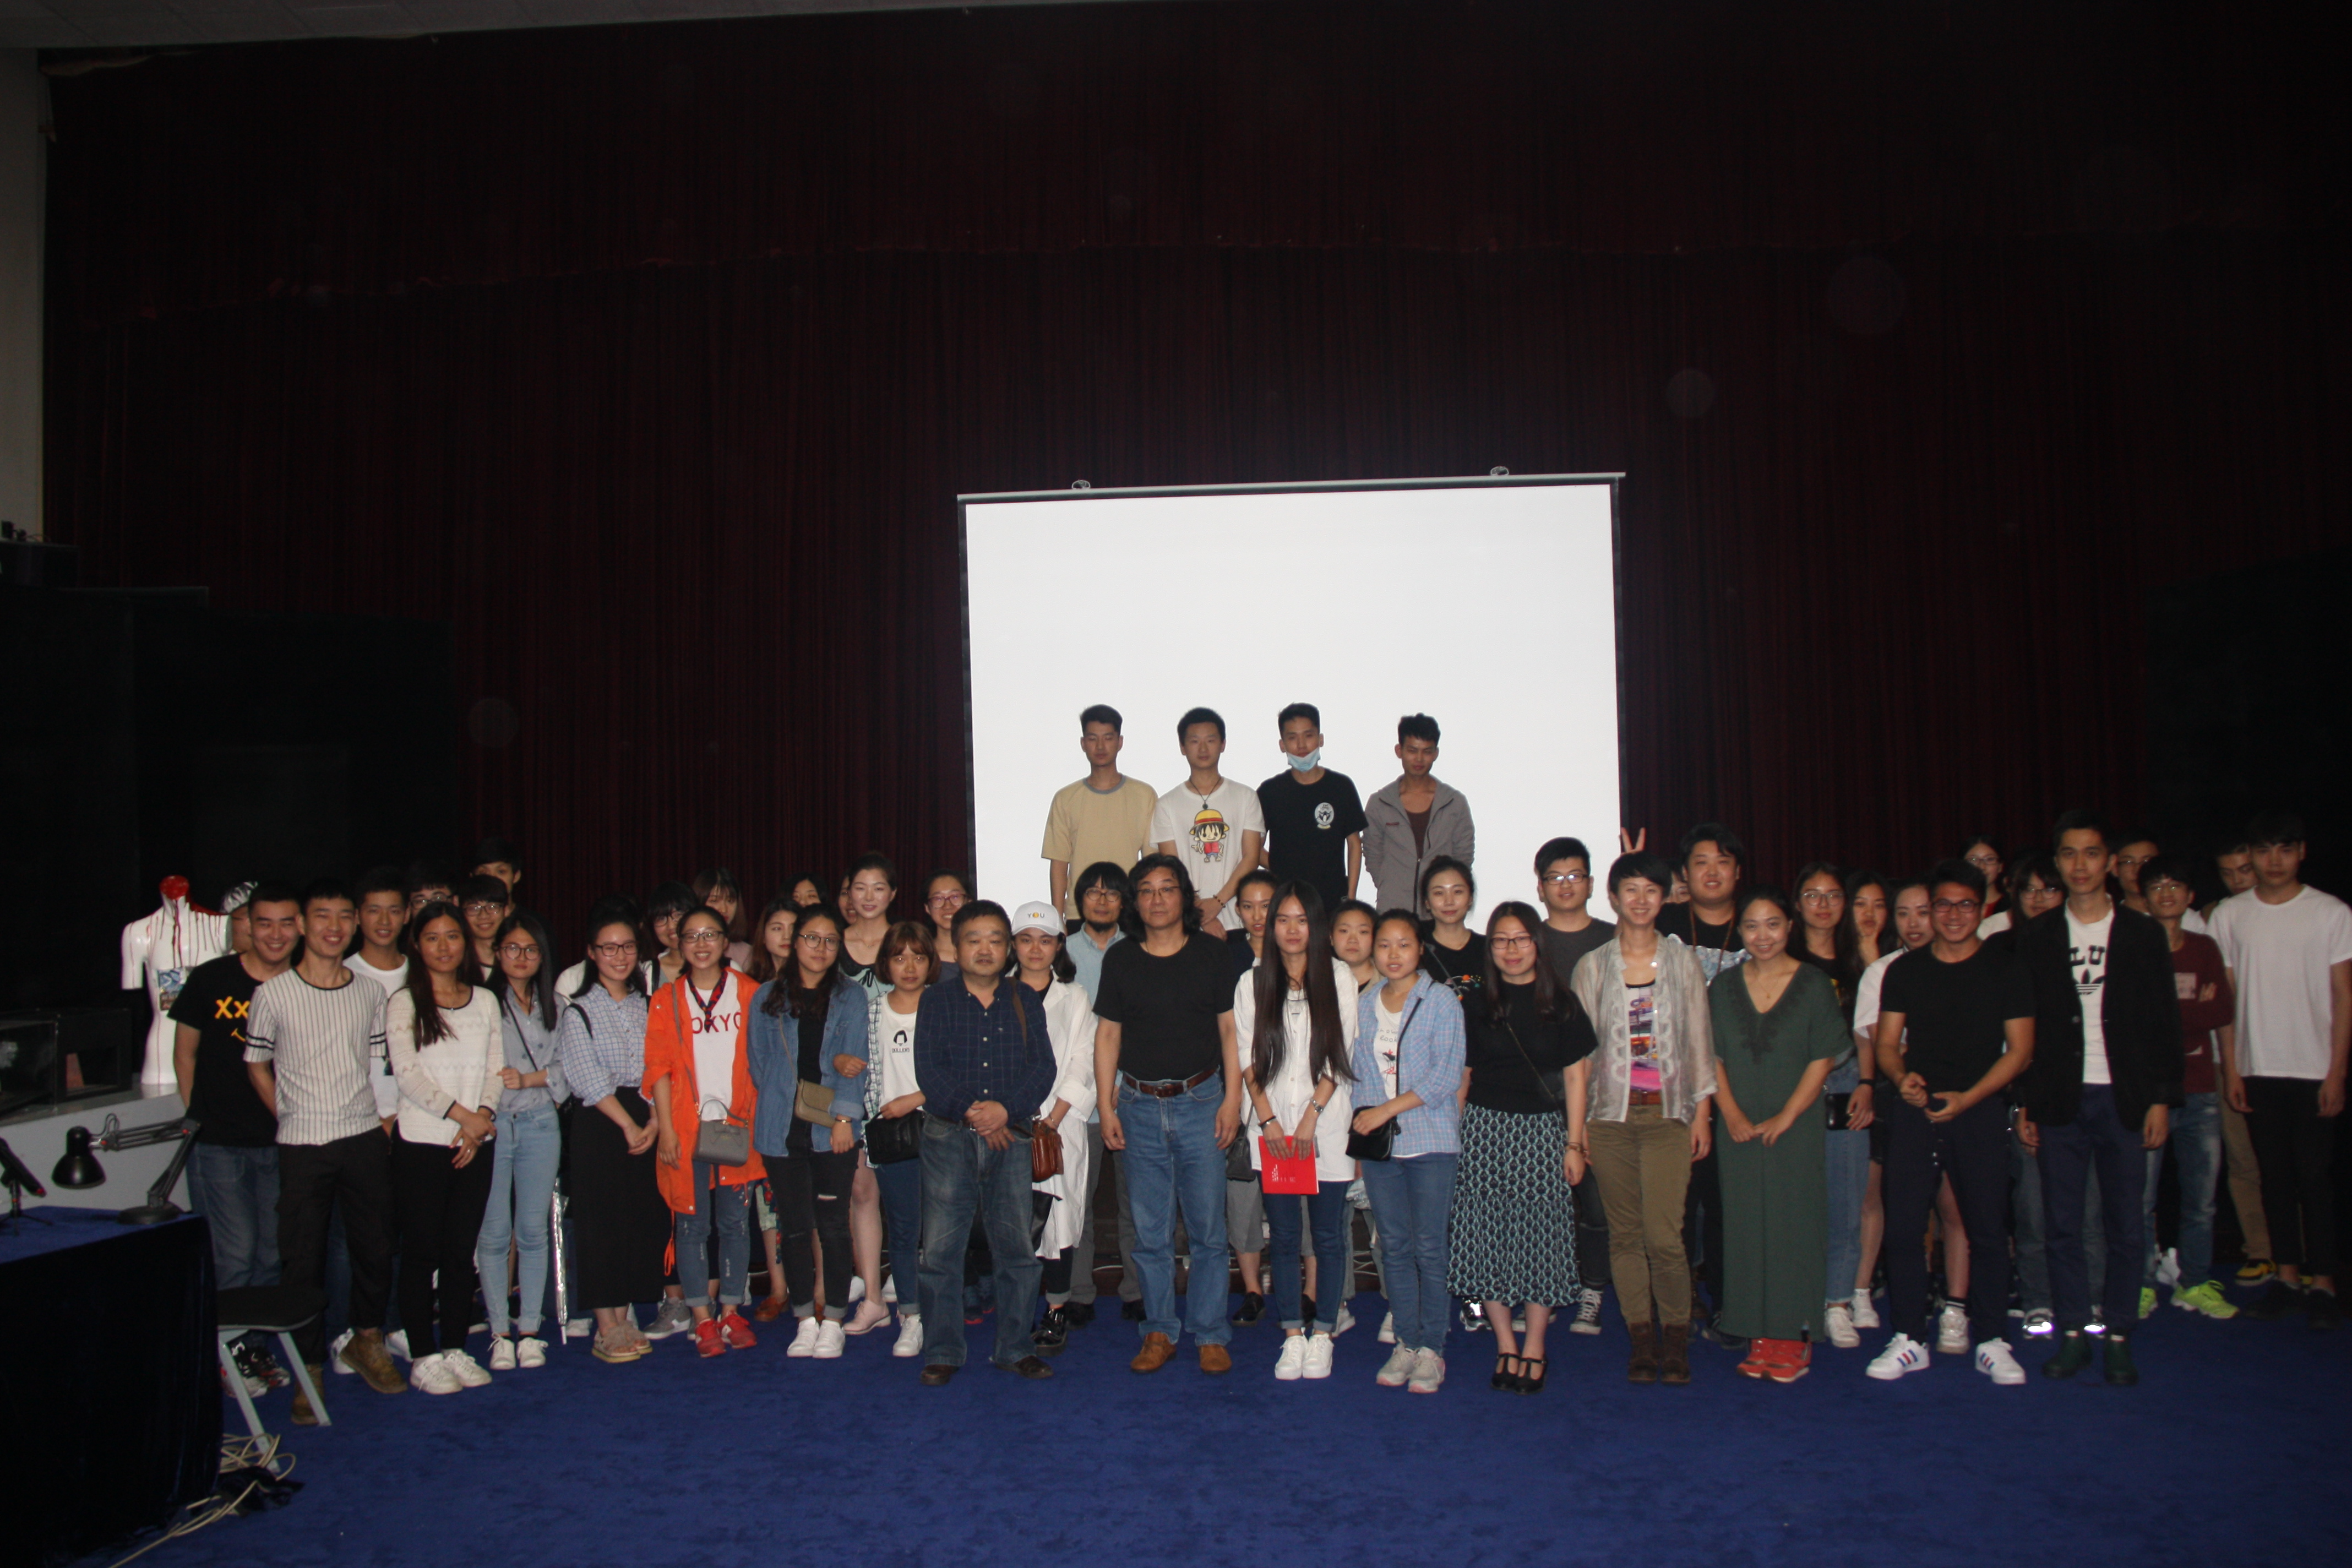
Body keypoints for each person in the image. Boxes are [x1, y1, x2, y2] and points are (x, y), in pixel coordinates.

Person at [2015, 810, 2182, 1385]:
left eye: (2091, 853)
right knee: (2062, 1222)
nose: (2080, 865)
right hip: (2061, 1097)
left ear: (2109, 863)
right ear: (2057, 862)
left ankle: (2118, 1334)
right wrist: (2027, 1103)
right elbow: (2027, 1030)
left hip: (2125, 1097)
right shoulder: (2038, 936)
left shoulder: (2141, 933)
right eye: (2069, 854)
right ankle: (2071, 1332)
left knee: (2126, 1225)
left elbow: (2163, 1021)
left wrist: (2160, 1098)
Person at [1866, 859, 2034, 1386]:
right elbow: (1886, 1044)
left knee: (1987, 1228)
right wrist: (1902, 1078)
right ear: (1931, 909)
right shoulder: (1906, 970)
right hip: (1916, 1109)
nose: (1955, 915)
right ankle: (1909, 1337)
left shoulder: (2006, 968)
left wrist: (1972, 1097)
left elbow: (2021, 1051)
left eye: (1966, 905)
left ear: (1983, 909)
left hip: (1979, 1108)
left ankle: (1992, 1339)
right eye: (1944, 905)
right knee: (1903, 1227)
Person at [243, 879, 405, 1415]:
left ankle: (368, 1339)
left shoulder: (370, 993)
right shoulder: (273, 994)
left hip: (362, 1136)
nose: (333, 928)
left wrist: (382, 1123)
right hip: (302, 1143)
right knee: (302, 1258)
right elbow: (256, 1064)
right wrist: (287, 1114)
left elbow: (379, 1064)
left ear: (354, 923)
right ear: (302, 925)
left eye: (343, 917)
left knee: (376, 1247)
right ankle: (307, 1366)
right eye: (321, 916)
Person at [1095, 853, 1244, 1374]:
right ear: (1135, 902)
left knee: (1207, 1229)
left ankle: (1210, 1332)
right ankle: (1158, 1331)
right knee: (1150, 1232)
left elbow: (1230, 1030)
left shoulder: (1212, 954)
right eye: (1146, 890)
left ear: (1185, 897)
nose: (1157, 899)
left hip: (1203, 1103)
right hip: (1137, 1107)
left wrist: (1233, 1099)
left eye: (1167, 888)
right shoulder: (1121, 958)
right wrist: (1105, 1103)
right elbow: (1107, 1035)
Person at [1572, 852, 1716, 1386]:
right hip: (1610, 1119)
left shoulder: (1682, 963)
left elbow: (1700, 1039)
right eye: (1630, 889)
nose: (1640, 899)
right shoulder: (1593, 966)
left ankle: (1675, 1335)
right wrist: (1578, 1130)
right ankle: (1641, 1337)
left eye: (1651, 890)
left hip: (1669, 1117)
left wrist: (1702, 1113)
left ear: (1665, 897)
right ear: (1613, 897)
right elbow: (1581, 1058)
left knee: (1665, 1235)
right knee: (1626, 1235)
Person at [2210, 813, 2352, 1329]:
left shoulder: (2331, 912)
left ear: (2301, 853)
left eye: (2285, 850)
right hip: (2257, 1066)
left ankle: (2324, 1283)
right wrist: (2232, 1069)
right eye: (2265, 850)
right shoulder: (2230, 914)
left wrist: (2337, 1073)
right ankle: (2287, 1278)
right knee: (2273, 1178)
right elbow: (2225, 1001)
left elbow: (2344, 995)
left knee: (2315, 1179)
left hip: (2313, 1067)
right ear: (2252, 855)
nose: (2274, 861)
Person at [1447, 901, 1593, 1395]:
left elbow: (1576, 1078)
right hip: (1484, 1130)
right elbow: (1464, 1077)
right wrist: (1456, 1138)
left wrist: (1575, 1143)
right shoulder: (1475, 1004)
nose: (1511, 950)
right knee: (1486, 1239)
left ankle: (1535, 1346)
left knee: (1542, 1240)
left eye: (1521, 939)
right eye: (1500, 941)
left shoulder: (1563, 1003)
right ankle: (1505, 1343)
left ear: (1537, 943)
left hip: (1543, 1134)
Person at [913, 900, 1060, 1384]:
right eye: (973, 940)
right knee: (941, 1251)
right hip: (947, 1137)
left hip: (1010, 1139)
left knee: (1016, 1248)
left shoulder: (1025, 999)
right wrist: (976, 1114)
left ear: (1008, 949)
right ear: (956, 948)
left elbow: (1043, 1068)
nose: (985, 949)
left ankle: (1015, 1348)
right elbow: (928, 1069)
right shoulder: (936, 1000)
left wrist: (1005, 1111)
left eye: (996, 940)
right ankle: (942, 1351)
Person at [170, 880, 302, 1396]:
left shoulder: (304, 982)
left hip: (281, 1141)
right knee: (235, 1252)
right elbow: (185, 1054)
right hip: (218, 1142)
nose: (275, 934)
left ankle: (252, 1348)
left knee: (270, 1252)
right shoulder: (212, 979)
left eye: (285, 923)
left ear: (300, 927)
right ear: (246, 925)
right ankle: (225, 1355)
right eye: (263, 923)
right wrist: (196, 1117)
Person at [1709, 888, 1842, 1381]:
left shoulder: (1814, 984)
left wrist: (1787, 1116)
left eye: (1772, 924)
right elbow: (1712, 1055)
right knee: (1745, 1225)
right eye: (1751, 926)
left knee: (1796, 1224)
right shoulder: (1723, 987)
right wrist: (1731, 1114)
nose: (1761, 935)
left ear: (1789, 926)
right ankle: (1757, 1330)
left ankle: (1794, 1334)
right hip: (1738, 1127)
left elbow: (1823, 1057)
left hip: (1796, 1125)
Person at [1234, 882, 1360, 1381]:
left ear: (1317, 926)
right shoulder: (1252, 982)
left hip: (1323, 1126)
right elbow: (1247, 1058)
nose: (1291, 929)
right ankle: (1291, 1335)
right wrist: (1267, 1121)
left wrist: (1311, 1116)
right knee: (1284, 1238)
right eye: (1282, 919)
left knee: (1328, 1237)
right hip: (1273, 1131)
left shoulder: (1339, 976)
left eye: (1301, 920)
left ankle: (1323, 1333)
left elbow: (1340, 1050)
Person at [384, 901, 503, 1394]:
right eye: (432, 938)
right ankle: (423, 1355)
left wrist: (481, 1123)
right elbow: (409, 1076)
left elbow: (496, 1069)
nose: (443, 946)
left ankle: (454, 1347)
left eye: (452, 936)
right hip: (422, 1144)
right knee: (421, 1252)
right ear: (417, 945)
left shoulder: (485, 1000)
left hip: (475, 1144)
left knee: (460, 1252)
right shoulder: (404, 1002)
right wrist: (464, 1118)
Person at [1351, 909, 1467, 1392]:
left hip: (1431, 1140)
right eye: (1384, 945)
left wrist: (1385, 1111)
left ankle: (1432, 1349)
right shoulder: (1365, 1002)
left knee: (1429, 1248)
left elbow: (1445, 1077)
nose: (1393, 954)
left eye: (1404, 944)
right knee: (1393, 1246)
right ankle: (1407, 1341)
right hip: (1381, 1148)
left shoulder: (1441, 1001)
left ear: (1420, 949)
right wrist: (1364, 1125)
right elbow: (1359, 1073)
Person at [745, 904, 866, 1355]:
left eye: (830, 940)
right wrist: (784, 1099)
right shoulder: (767, 997)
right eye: (812, 938)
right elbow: (760, 1064)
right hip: (780, 1128)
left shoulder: (851, 997)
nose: (821, 948)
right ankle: (804, 1319)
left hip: (834, 1128)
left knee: (833, 1227)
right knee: (794, 1228)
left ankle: (833, 1319)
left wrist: (844, 1119)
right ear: (795, 943)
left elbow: (856, 1061)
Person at [556, 907, 668, 1364]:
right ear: (591, 953)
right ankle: (607, 1326)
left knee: (638, 1221)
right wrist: (630, 1124)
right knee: (601, 1223)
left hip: (647, 1115)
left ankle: (624, 1319)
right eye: (609, 948)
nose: (619, 956)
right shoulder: (578, 1010)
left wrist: (656, 1121)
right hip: (601, 1123)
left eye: (627, 947)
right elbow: (587, 1076)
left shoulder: (650, 1005)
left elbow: (661, 1066)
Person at [2139, 854, 2239, 1320]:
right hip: (2146, 1093)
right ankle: (2141, 1284)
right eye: (2157, 886)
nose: (2167, 894)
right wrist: (2192, 1011)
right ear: (2144, 897)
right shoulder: (2134, 948)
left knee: (2202, 1199)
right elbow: (2135, 1021)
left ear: (2191, 895)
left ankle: (2195, 1281)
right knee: (2141, 1198)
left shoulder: (2204, 948)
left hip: (2200, 1088)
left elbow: (2222, 1011)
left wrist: (2175, 1015)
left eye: (2175, 885)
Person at [475, 910, 567, 1370]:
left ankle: (529, 1329)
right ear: (497, 953)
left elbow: (568, 1071)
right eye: (512, 948)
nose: (522, 957)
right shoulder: (479, 1003)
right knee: (493, 1233)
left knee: (532, 1231)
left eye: (531, 949)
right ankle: (498, 1331)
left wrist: (530, 1078)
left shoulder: (558, 1006)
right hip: (492, 1126)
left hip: (540, 1124)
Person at [1008, 902, 1100, 1357]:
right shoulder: (997, 993)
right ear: (1013, 946)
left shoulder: (1075, 996)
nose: (1035, 949)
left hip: (1057, 1125)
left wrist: (1054, 1119)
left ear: (1059, 946)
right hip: (1005, 1125)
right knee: (1012, 1221)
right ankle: (1016, 1310)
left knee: (1059, 1220)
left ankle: (1057, 1309)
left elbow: (1084, 1061)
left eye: (1045, 941)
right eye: (1026, 940)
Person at [1532, 838, 1614, 1337]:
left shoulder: (1613, 939)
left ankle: (1593, 1289)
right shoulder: (1528, 941)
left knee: (1596, 1203)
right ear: (1540, 888)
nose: (1566, 885)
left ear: (1590, 883)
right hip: (1539, 1093)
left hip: (1603, 1091)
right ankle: (1540, 1288)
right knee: (1541, 1204)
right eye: (1555, 878)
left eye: (1575, 876)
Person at [1060, 859, 1130, 1325]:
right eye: (1092, 892)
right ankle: (1078, 1293)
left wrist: (1122, 1084)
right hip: (1076, 1100)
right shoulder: (1060, 953)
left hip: (1132, 1096)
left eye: (1111, 893)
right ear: (1078, 899)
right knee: (1076, 1203)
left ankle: (1138, 1291)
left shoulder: (1140, 950)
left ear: (1124, 903)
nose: (1101, 900)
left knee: (1137, 1204)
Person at [864, 921, 938, 1357]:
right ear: (886, 964)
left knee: (942, 1230)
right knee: (904, 1228)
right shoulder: (872, 1011)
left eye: (919, 957)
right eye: (899, 957)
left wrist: (916, 1098)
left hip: (942, 1131)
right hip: (891, 1136)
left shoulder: (944, 1006)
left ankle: (941, 1311)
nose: (909, 967)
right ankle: (910, 1315)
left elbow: (963, 1071)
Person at [2208, 839, 2274, 1282]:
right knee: (2243, 1160)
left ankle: (2297, 1253)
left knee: (2289, 1161)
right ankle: (2260, 1250)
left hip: (2281, 1056)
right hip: (2227, 1057)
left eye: (2245, 870)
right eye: (2228, 873)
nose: (2238, 881)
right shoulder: (2217, 916)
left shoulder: (2296, 910)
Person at [1152, 706, 1266, 933]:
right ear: (1183, 747)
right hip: (1188, 923)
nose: (1203, 749)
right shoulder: (1167, 805)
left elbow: (1251, 857)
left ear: (1223, 744)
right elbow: (1173, 869)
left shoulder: (1246, 797)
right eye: (1195, 741)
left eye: (1211, 740)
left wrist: (1217, 903)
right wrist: (1201, 915)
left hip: (1240, 921)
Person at [1042, 704, 1159, 922]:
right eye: (1093, 739)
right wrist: (1057, 920)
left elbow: (1151, 862)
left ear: (1120, 742)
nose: (1100, 746)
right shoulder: (1066, 798)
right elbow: (1059, 863)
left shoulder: (1144, 795)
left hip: (1128, 912)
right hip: (1079, 914)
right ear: (1083, 744)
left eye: (1108, 738)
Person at [1256, 703, 1366, 916]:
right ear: (1282, 744)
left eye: (1308, 736)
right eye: (1292, 738)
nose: (1301, 745)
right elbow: (1254, 849)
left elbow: (1354, 844)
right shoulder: (1270, 792)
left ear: (1320, 739)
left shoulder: (1341, 787)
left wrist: (1351, 897)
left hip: (1332, 901)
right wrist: (1281, 866)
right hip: (1286, 901)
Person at [1362, 714, 1474, 918]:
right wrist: (1391, 884)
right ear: (1399, 751)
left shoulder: (1454, 803)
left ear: (1436, 753)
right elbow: (1372, 854)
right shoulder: (1380, 803)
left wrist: (1445, 889)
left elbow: (1463, 855)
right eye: (1412, 751)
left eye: (1427, 752)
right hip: (1393, 912)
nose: (1419, 759)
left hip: (1441, 914)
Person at [1418, 857, 1485, 1004]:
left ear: (1470, 898)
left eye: (1458, 892)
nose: (1449, 901)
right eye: (1439, 893)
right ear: (1427, 902)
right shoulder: (1415, 949)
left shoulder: (1488, 949)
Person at [837, 853, 900, 994]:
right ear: (849, 892)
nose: (869, 897)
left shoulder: (905, 941)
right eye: (860, 888)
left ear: (892, 893)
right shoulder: (834, 941)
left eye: (878, 889)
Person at [693, 867, 754, 970]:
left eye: (730, 901)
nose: (724, 909)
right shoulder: (687, 949)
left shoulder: (748, 954)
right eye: (714, 901)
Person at [644, 881, 700, 990]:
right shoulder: (648, 972)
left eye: (678, 915)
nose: (671, 926)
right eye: (661, 918)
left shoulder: (721, 967)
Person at [919, 870, 973, 969]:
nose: (947, 906)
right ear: (927, 908)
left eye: (955, 897)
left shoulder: (982, 952)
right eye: (938, 899)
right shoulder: (919, 955)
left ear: (969, 902)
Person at [1964, 836, 2010, 934]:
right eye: (1973, 860)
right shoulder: (1953, 905)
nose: (1982, 867)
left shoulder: (2011, 906)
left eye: (1990, 860)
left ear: (2000, 866)